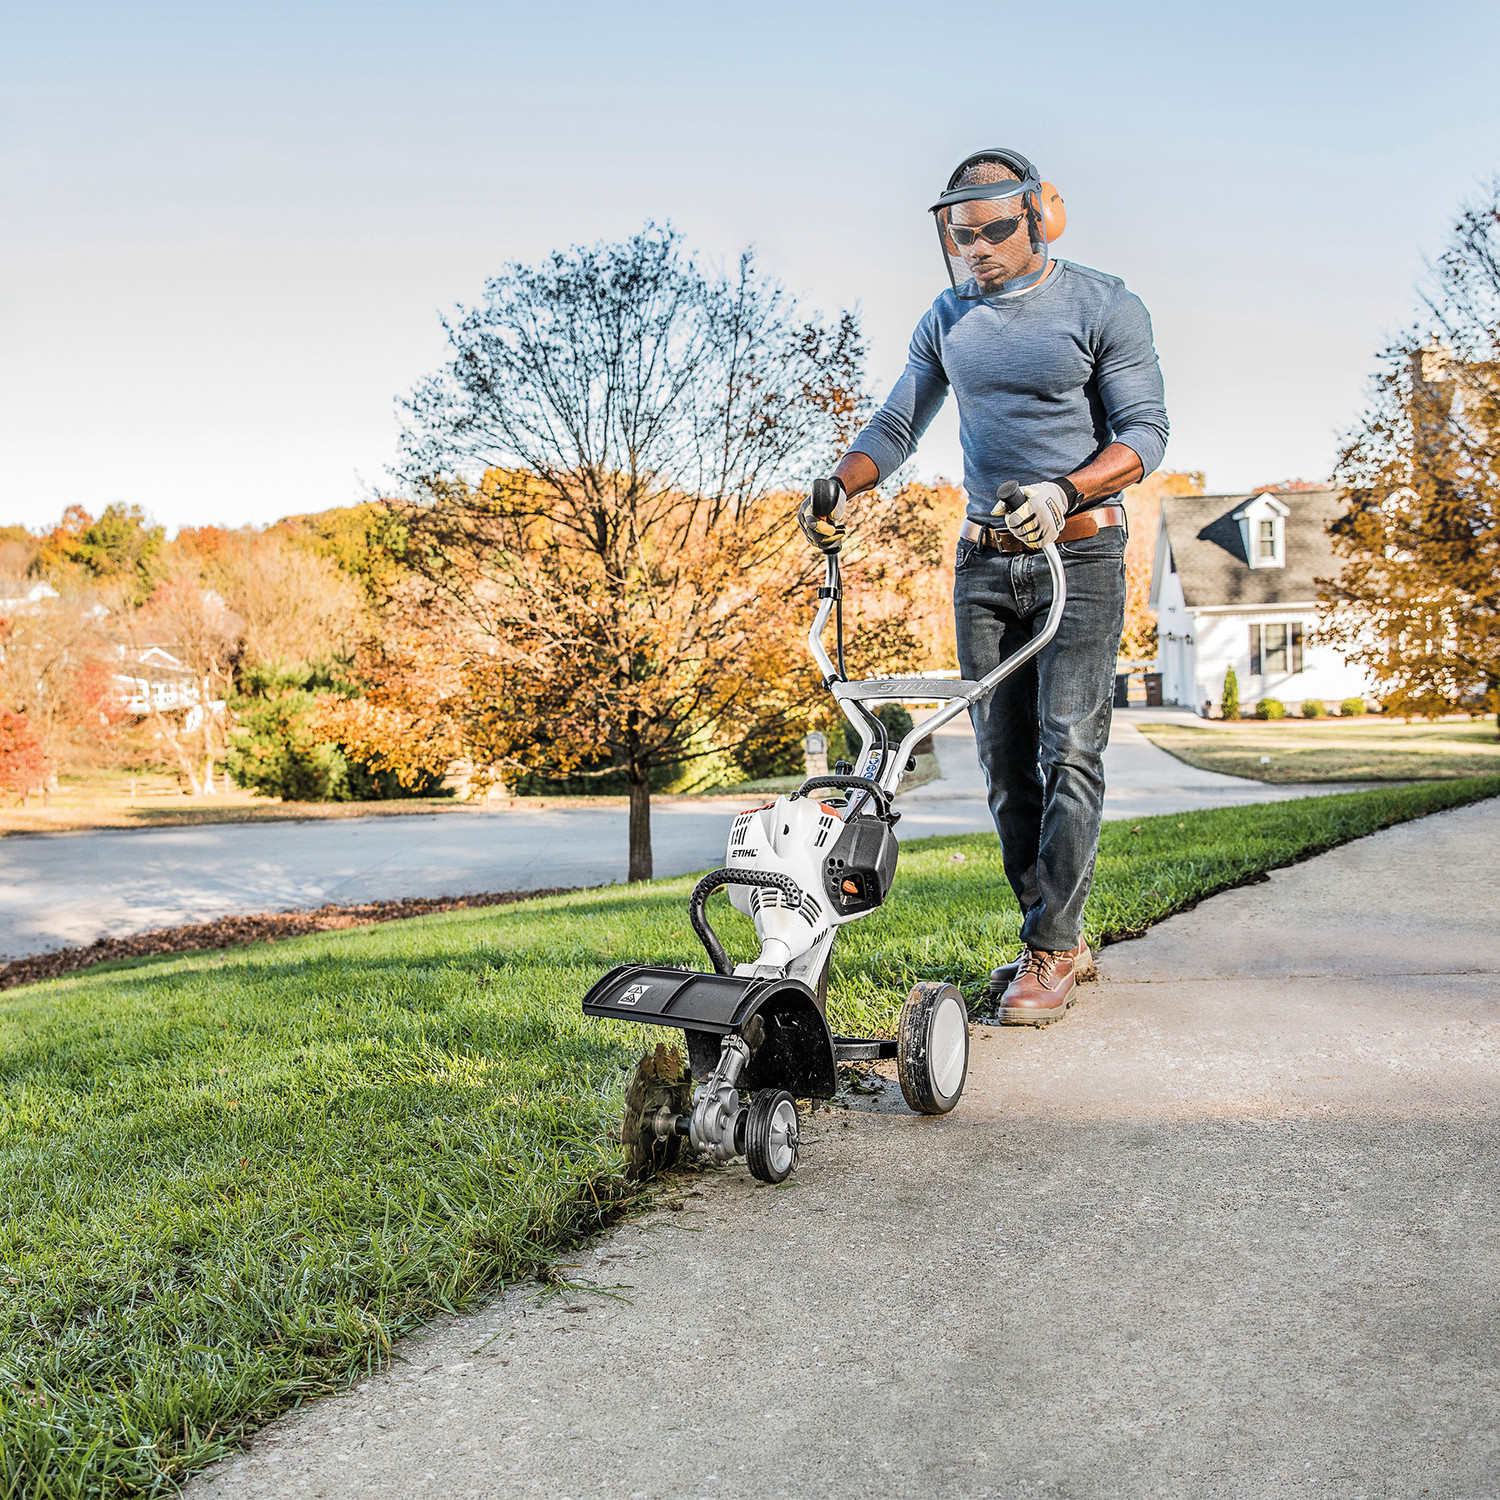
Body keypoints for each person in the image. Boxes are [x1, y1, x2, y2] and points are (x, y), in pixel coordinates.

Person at [798, 147, 1168, 1025]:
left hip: (1078, 552)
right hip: (983, 562)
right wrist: (842, 485)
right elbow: (897, 422)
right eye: (962, 236)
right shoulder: (948, 317)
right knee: (1005, 768)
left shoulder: (1106, 304)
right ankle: (1055, 932)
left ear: (1044, 215)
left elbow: (1146, 434)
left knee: (1070, 748)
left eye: (995, 231)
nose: (977, 251)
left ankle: (1050, 949)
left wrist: (1065, 489)